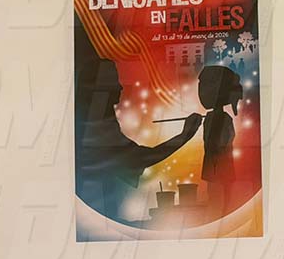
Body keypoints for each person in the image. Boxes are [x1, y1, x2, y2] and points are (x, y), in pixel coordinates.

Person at [75, 56, 202, 223]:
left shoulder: (93, 121)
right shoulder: (95, 126)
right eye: (113, 81)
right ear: (99, 89)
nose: (120, 87)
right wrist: (184, 136)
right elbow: (138, 157)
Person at [197, 65, 243, 215]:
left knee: (222, 187)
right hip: (214, 157)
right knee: (215, 188)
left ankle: (224, 210)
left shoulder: (223, 118)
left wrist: (221, 148)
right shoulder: (211, 118)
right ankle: (219, 210)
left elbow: (229, 136)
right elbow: (210, 137)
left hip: (220, 157)